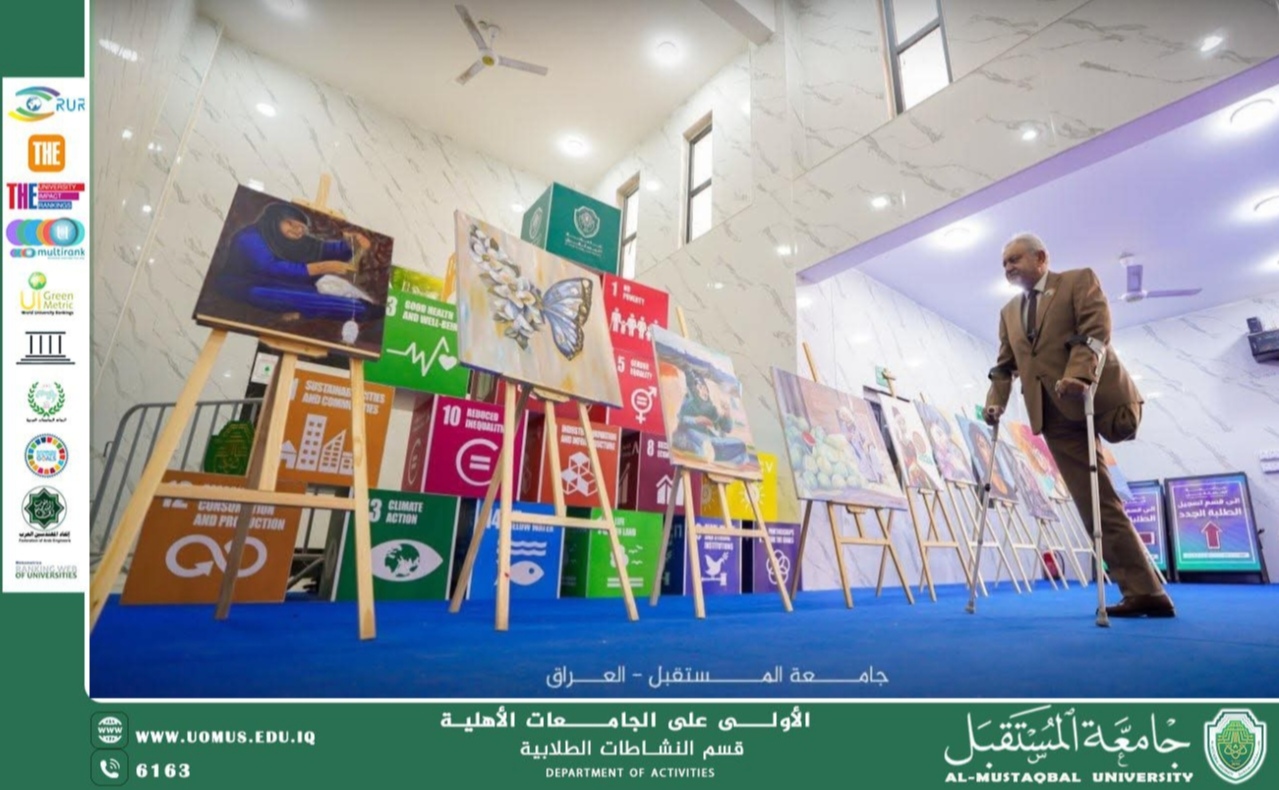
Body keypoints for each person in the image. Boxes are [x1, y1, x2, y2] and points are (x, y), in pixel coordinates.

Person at [984, 232, 1173, 618]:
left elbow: (1094, 332)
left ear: (1041, 258)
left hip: (1098, 397)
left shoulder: (1076, 281)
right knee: (1095, 505)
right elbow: (1004, 366)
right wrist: (994, 402)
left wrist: (1079, 376)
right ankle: (1144, 592)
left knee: (1105, 500)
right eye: (1004, 263)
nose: (1008, 268)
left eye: (1015, 259)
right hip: (1054, 416)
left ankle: (1145, 590)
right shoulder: (1008, 313)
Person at [220, 202, 382, 322]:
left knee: (312, 293)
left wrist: (352, 244)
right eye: (290, 223)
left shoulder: (298, 240)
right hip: (247, 284)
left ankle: (365, 307)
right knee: (294, 297)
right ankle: (360, 310)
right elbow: (270, 268)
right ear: (274, 220)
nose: (297, 230)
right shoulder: (249, 237)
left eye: (301, 228)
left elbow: (327, 250)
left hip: (286, 284)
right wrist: (322, 267)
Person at [672, 367, 747, 465]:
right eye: (700, 388)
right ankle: (704, 452)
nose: (704, 391)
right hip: (691, 435)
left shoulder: (710, 408)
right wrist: (696, 420)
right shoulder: (689, 402)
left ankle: (713, 453)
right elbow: (681, 419)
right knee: (698, 442)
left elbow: (726, 428)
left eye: (704, 388)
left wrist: (727, 413)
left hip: (711, 439)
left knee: (740, 445)